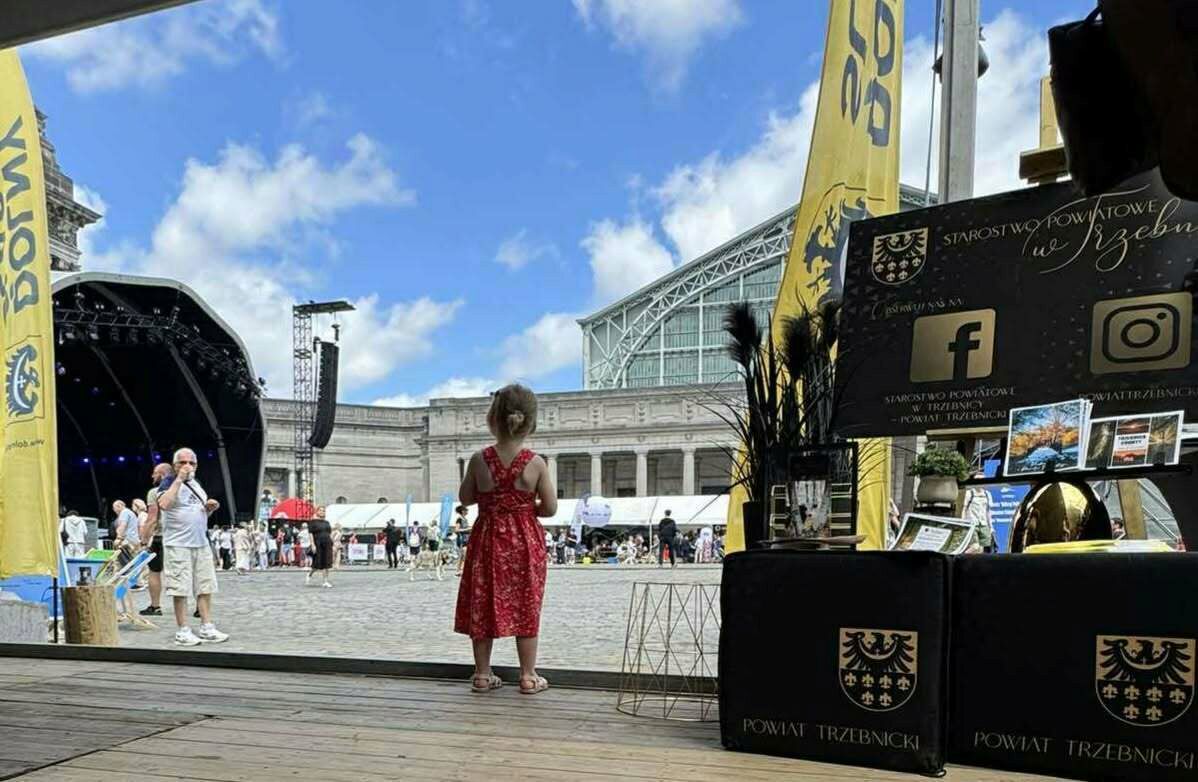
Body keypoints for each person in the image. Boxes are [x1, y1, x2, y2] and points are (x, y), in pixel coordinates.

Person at [455, 383, 555, 695]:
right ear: (530, 422)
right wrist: (524, 507)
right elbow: (550, 508)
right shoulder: (536, 463)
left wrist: (493, 501)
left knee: (482, 601)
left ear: (492, 419)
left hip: (487, 539)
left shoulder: (479, 459)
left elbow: (466, 498)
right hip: (524, 540)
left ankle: (482, 675)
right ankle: (528, 676)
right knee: (527, 603)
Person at [157, 447, 228, 645]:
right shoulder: (169, 482)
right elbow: (164, 504)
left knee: (205, 586)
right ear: (175, 465)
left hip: (200, 543)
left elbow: (197, 513)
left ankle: (207, 626)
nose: (187, 466)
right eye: (182, 462)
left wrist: (209, 509)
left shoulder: (197, 484)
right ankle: (183, 630)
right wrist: (179, 479)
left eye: (191, 462)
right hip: (178, 544)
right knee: (180, 588)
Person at [137, 464, 172, 616]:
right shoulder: (182, 490)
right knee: (188, 572)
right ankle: (199, 607)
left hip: (161, 538)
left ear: (162, 474)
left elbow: (152, 519)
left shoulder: (154, 492)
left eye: (155, 473)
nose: (152, 476)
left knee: (154, 571)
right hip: (182, 537)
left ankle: (155, 606)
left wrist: (144, 541)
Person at [961, 478, 995, 553]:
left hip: (984, 524)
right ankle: (959, 556)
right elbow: (964, 509)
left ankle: (972, 560)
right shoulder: (969, 493)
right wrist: (963, 524)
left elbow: (988, 512)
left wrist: (991, 527)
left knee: (981, 549)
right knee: (975, 546)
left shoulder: (987, 494)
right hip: (972, 524)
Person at [307, 506, 334, 588]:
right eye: (321, 510)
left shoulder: (327, 522)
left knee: (327, 563)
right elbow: (310, 534)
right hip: (318, 543)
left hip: (327, 543)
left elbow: (329, 533)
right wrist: (313, 544)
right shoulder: (313, 522)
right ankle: (310, 574)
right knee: (317, 564)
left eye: (324, 511)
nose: (322, 512)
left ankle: (325, 581)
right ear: (317, 512)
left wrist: (332, 542)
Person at [455, 506, 470, 576]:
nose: (467, 511)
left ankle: (459, 570)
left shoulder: (465, 519)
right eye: (466, 510)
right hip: (461, 539)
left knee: (462, 556)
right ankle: (460, 570)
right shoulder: (459, 519)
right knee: (463, 555)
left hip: (466, 539)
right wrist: (467, 529)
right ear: (462, 511)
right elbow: (456, 530)